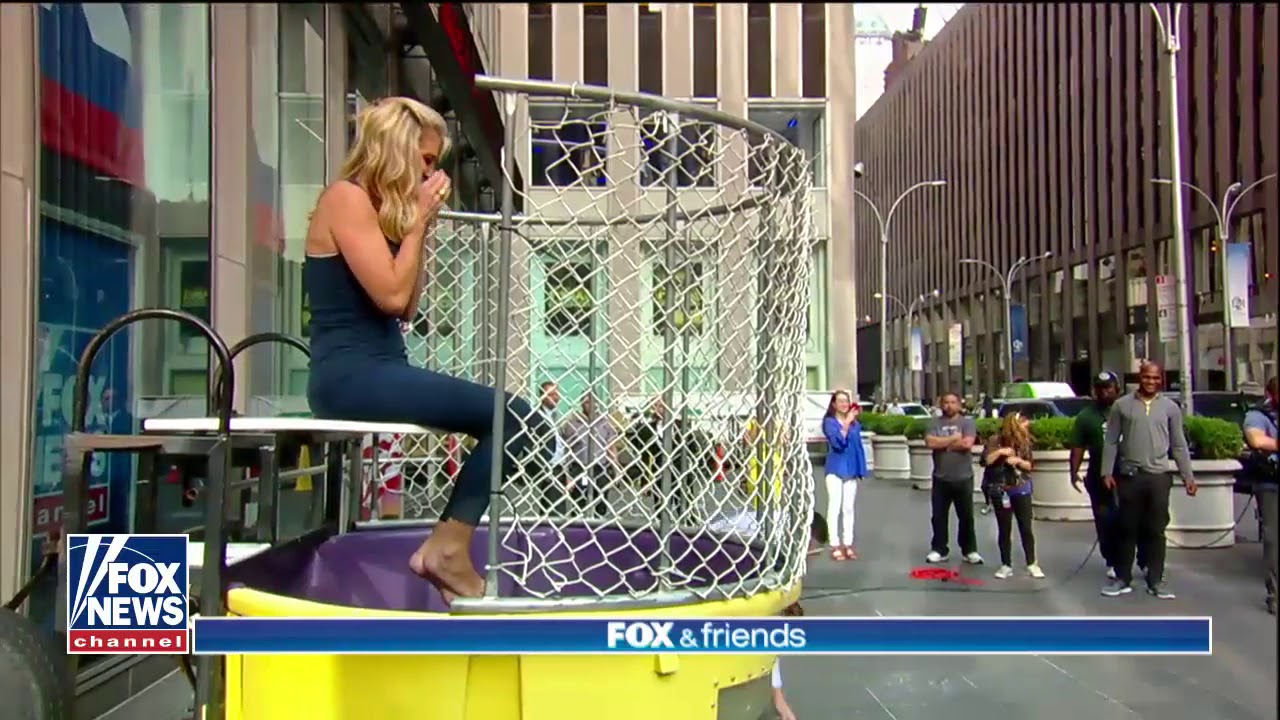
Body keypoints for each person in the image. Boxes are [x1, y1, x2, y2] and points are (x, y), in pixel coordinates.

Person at [302, 97, 549, 603]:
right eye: (427, 159)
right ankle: (447, 550)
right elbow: (391, 295)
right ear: (398, 150)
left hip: (382, 365)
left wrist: (421, 229)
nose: (431, 171)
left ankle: (448, 547)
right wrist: (416, 224)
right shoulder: (345, 199)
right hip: (349, 374)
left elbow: (406, 308)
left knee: (518, 422)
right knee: (515, 417)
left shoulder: (380, 213)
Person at [1099, 361, 1197, 599]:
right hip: (1130, 476)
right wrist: (1106, 472)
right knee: (1126, 528)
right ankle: (1123, 578)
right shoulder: (1122, 406)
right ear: (1139, 378)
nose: (1150, 382)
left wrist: (1188, 476)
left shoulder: (1170, 408)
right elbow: (1111, 440)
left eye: (1155, 378)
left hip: (1159, 477)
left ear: (1160, 380)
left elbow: (1178, 444)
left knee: (1156, 530)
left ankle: (1156, 580)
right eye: (1146, 377)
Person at [1069, 371, 1146, 579]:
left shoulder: (1130, 410)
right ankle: (1112, 560)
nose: (1104, 392)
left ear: (1117, 389)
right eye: (1100, 388)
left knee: (1137, 519)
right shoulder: (1086, 416)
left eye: (1108, 387)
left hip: (1129, 473)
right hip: (1098, 475)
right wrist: (1073, 472)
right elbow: (1077, 446)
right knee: (1106, 521)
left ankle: (1144, 559)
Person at [981, 412, 1043, 579]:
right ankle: (1006, 564)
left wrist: (1019, 462)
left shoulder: (1025, 442)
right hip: (1001, 488)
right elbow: (985, 460)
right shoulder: (995, 440)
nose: (1027, 425)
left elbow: (1030, 465)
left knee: (1026, 527)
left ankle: (1031, 563)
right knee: (1004, 528)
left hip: (1021, 487)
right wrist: (1000, 452)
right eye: (1023, 422)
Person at [924, 392, 984, 565]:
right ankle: (939, 549)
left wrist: (943, 443)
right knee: (938, 516)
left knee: (966, 516)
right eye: (946, 402)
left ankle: (970, 550)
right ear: (941, 404)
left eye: (952, 402)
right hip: (941, 477)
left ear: (959, 405)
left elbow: (967, 443)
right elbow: (930, 443)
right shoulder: (934, 423)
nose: (949, 405)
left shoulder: (967, 422)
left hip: (963, 477)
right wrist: (953, 439)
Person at [1242, 376, 1279, 615]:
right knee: (1273, 538)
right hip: (1270, 482)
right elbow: (1257, 439)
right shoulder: (1258, 415)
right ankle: (1275, 594)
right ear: (1271, 393)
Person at [821, 390, 868, 561]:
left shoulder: (855, 424)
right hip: (835, 469)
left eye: (846, 401)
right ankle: (834, 543)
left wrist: (860, 468)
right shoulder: (829, 422)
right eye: (840, 401)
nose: (843, 404)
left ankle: (848, 542)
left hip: (851, 469)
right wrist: (846, 423)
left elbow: (857, 447)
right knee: (834, 507)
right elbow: (838, 443)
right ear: (833, 404)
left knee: (848, 508)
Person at [561, 394, 619, 518]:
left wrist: (616, 469)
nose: (590, 405)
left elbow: (611, 447)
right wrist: (567, 475)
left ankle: (599, 527)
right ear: (582, 404)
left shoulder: (605, 423)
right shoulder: (572, 424)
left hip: (600, 467)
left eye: (593, 402)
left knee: (601, 502)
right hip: (580, 467)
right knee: (579, 503)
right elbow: (566, 450)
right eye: (587, 402)